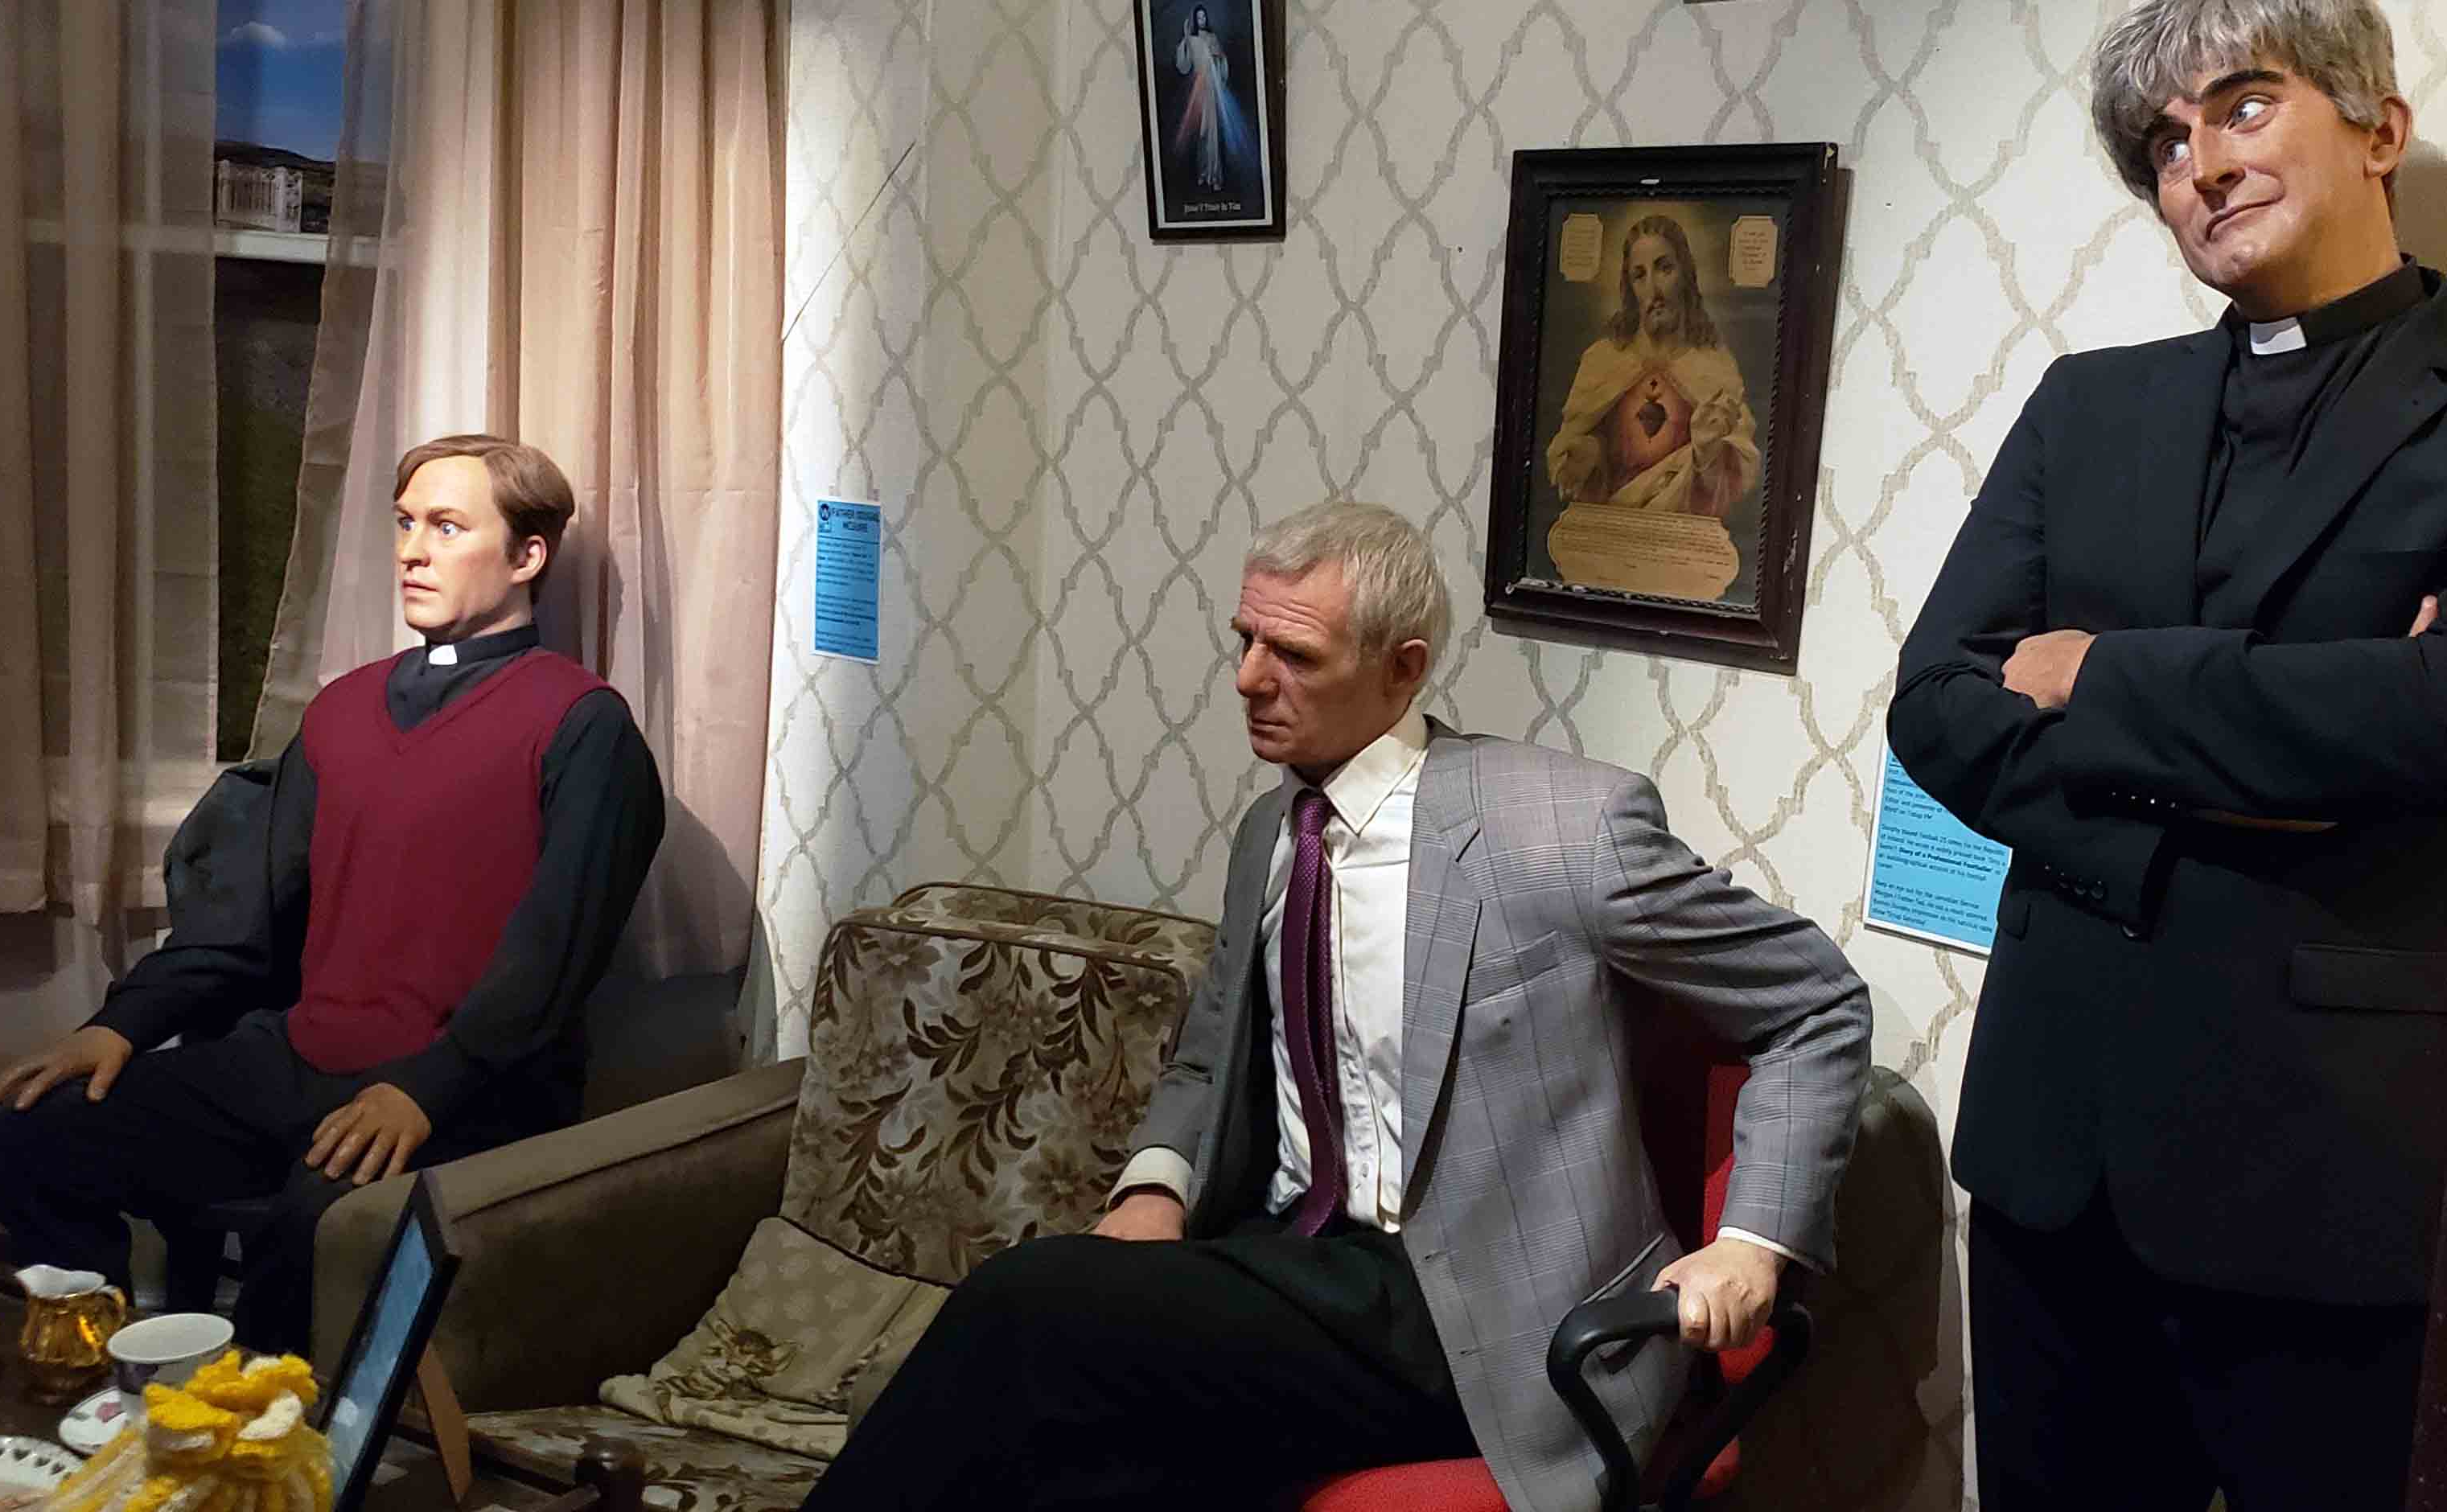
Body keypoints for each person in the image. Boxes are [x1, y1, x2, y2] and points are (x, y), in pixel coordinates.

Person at [802, 502, 1872, 1511]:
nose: (1247, 679)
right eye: (1245, 641)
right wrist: (1158, 1186)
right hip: (1293, 1260)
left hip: (1481, 1308)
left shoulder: (1559, 830)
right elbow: (1209, 1050)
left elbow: (1814, 1005)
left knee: (1025, 1308)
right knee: (1052, 1442)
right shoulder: (1271, 837)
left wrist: (1752, 1244)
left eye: (1295, 655)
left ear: (1402, 669)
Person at [1887, 2, 2446, 1505]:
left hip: (2328, 1169)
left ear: (2378, 130)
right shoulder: (2089, 404)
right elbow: (1935, 703)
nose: (2199, 161)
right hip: (2052, 1151)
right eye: (2163, 142)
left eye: (2245, 106)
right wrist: (2282, 772)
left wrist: (2098, 676)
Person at [0, 435, 664, 1355]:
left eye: (447, 527)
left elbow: (552, 960)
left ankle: (254, 1426)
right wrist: (121, 1024)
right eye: (404, 524)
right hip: (297, 1059)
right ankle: (88, 1380)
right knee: (19, 1137)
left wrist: (427, 1087)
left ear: (528, 555)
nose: (412, 551)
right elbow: (242, 923)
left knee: (319, 1230)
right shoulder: (342, 709)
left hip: (468, 1088)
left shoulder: (583, 723)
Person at [1544, 214, 1760, 520]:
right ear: (1629, 287)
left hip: (1681, 536)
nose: (1654, 290)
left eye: (1664, 269)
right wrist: (1587, 453)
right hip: (1607, 533)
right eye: (1639, 276)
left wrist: (1707, 453)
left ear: (1685, 275)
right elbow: (1570, 454)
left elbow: (1738, 478)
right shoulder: (1603, 360)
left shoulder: (1713, 366)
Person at [1173, 6, 1234, 193]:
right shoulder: (1192, 40)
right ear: (1195, 19)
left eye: (1204, 17)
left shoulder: (1212, 38)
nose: (1202, 20)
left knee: (1213, 133)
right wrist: (1185, 38)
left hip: (1212, 88)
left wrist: (1219, 57)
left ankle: (1215, 176)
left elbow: (1222, 65)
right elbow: (1184, 65)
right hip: (1197, 89)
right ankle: (1203, 172)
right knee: (1201, 133)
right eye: (1198, 17)